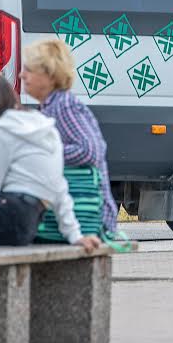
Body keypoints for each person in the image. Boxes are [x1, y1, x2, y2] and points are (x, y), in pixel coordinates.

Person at [0, 73, 103, 248]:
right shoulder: (45, 126)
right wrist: (75, 235)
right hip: (29, 225)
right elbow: (58, 187)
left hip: (8, 216)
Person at [22, 39, 120, 236]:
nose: (21, 75)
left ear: (49, 75)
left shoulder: (64, 105)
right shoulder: (49, 106)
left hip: (91, 217)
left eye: (29, 70)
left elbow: (90, 150)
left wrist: (46, 152)